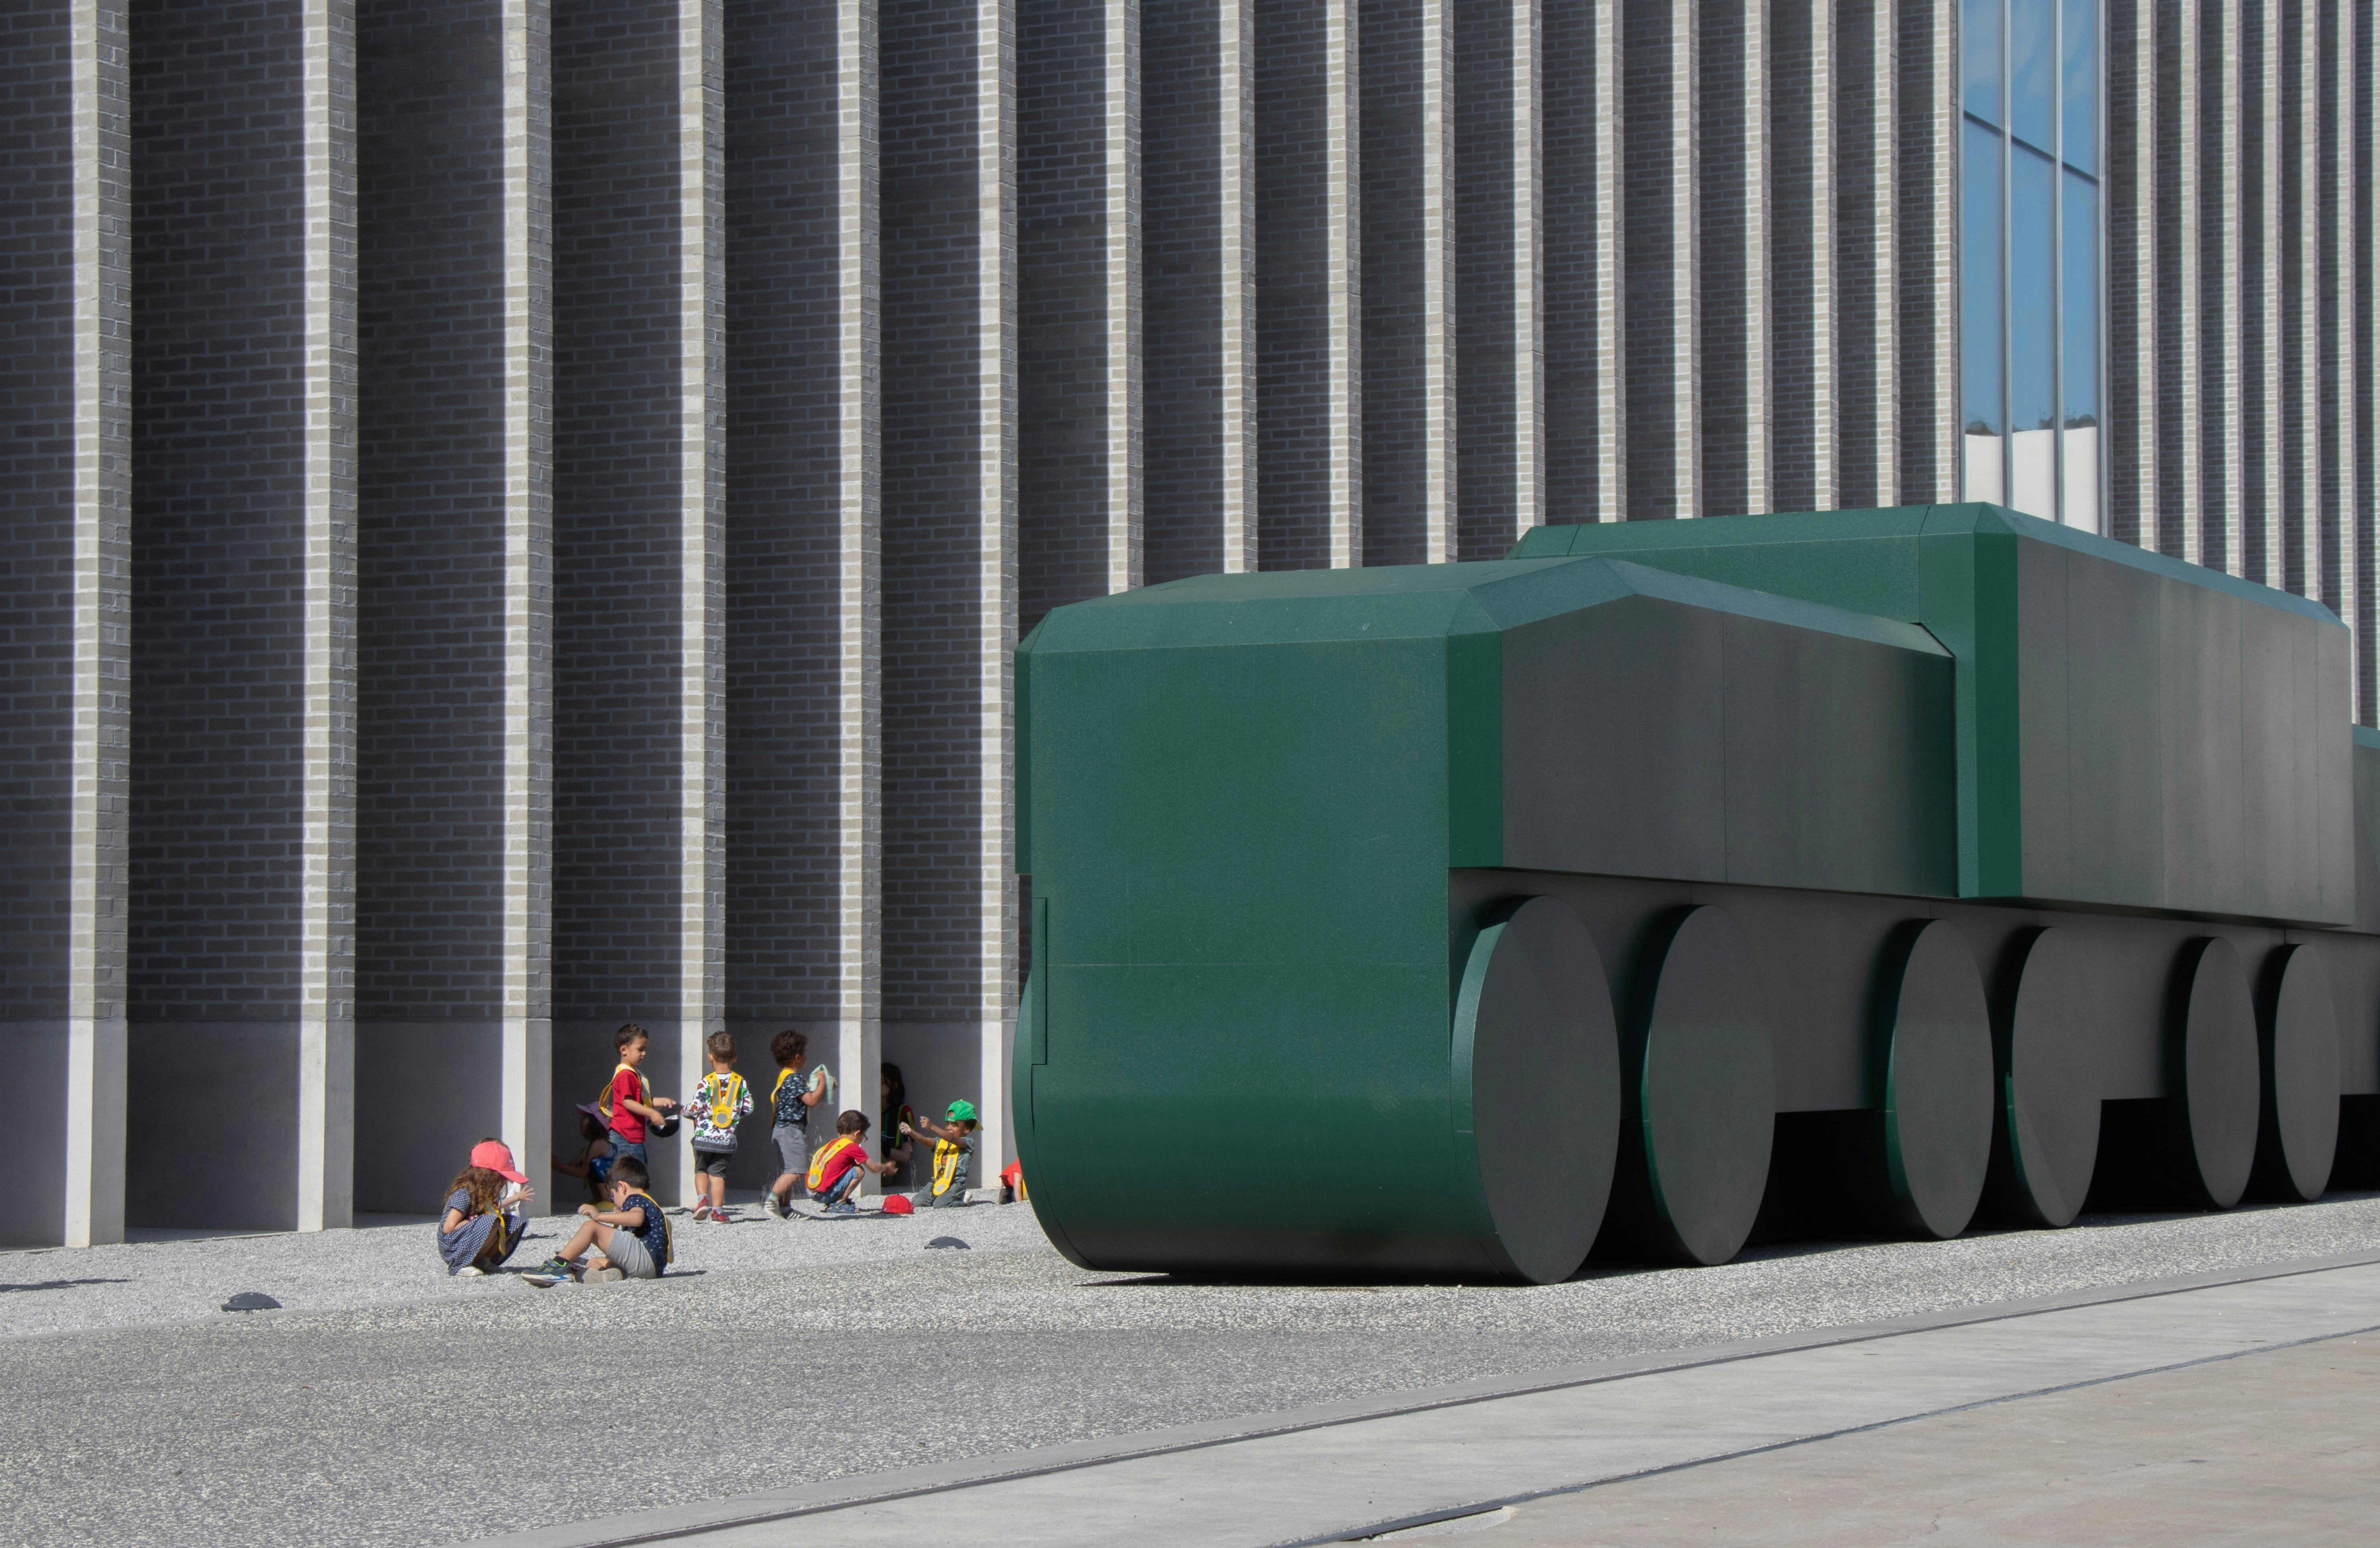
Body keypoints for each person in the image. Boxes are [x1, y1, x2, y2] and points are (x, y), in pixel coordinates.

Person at [528, 1156, 671, 1283]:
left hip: (644, 1259)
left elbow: (637, 1218)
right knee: (594, 1262)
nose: (614, 1202)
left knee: (591, 1227)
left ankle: (558, 1265)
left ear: (622, 1187)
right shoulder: (650, 1204)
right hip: (651, 1268)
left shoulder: (635, 1199)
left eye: (613, 1196)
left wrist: (600, 1216)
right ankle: (591, 1274)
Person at [439, 1140, 536, 1277]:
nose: (505, 1181)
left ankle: (482, 1261)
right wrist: (472, 1221)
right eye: (501, 1176)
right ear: (486, 1175)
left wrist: (516, 1198)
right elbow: (448, 1228)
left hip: (470, 1237)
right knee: (492, 1222)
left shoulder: (485, 1193)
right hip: (454, 1247)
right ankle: (461, 1263)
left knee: (510, 1223)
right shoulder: (464, 1193)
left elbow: (495, 1208)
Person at [763, 1029, 832, 1218]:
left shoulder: (785, 1076)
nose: (807, 1057)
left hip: (781, 1130)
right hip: (790, 1130)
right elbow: (811, 1100)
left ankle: (785, 1209)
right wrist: (823, 1083)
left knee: (790, 1170)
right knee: (797, 1170)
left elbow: (808, 1095)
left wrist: (825, 1088)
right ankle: (771, 1201)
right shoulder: (794, 1078)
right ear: (797, 1057)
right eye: (805, 1053)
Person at [686, 1030, 751, 1222]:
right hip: (726, 1140)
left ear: (710, 1057)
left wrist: (685, 1112)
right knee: (718, 1175)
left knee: (701, 1170)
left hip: (703, 1138)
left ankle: (702, 1201)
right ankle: (718, 1212)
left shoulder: (706, 1082)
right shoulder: (740, 1083)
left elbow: (695, 1107)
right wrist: (735, 1116)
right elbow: (749, 1107)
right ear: (735, 1057)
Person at [599, 1022, 676, 1168]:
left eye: (645, 1049)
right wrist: (652, 1113)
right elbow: (628, 1103)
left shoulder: (632, 1074)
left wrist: (661, 1101)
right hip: (626, 1137)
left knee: (638, 1176)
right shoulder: (626, 1075)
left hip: (632, 1137)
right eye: (640, 1049)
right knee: (632, 1179)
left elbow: (639, 1101)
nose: (644, 1053)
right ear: (624, 1050)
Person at [807, 1110, 901, 1214]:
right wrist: (887, 1167)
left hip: (812, 1191)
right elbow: (874, 1168)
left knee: (849, 1166)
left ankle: (836, 1199)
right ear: (857, 1134)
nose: (862, 1139)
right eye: (863, 1136)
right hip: (824, 1195)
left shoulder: (832, 1145)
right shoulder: (852, 1147)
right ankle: (839, 1203)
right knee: (859, 1170)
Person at [899, 1100, 980, 1209]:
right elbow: (924, 1140)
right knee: (918, 1202)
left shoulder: (968, 1142)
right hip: (937, 1182)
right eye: (947, 1124)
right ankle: (941, 1197)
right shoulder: (941, 1141)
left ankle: (963, 1200)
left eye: (954, 1125)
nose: (948, 1128)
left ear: (967, 1129)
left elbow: (952, 1139)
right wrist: (911, 1132)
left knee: (940, 1205)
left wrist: (932, 1126)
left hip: (955, 1184)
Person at [551, 1108, 615, 1207]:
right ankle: (597, 1199)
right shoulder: (589, 1148)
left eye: (586, 1116)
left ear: (596, 1123)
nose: (581, 1119)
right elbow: (570, 1167)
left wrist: (559, 1166)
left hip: (614, 1188)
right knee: (589, 1164)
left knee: (595, 1163)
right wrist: (555, 1165)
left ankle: (607, 1200)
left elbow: (583, 1172)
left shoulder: (599, 1144)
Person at [880, 1063, 918, 1187]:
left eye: (881, 1082)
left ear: (894, 1086)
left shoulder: (903, 1112)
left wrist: (882, 1149)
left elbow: (906, 1156)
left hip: (887, 1170)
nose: (875, 1084)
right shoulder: (867, 1110)